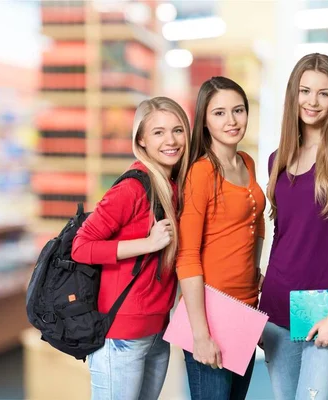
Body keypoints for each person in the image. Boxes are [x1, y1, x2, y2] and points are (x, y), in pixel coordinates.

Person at [258, 53, 328, 400]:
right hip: (278, 305)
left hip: (325, 305)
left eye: (323, 93)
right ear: (293, 94)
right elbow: (282, 234)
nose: (312, 101)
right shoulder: (278, 158)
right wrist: (263, 307)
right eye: (305, 91)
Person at [71, 97, 190, 400]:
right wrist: (147, 244)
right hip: (121, 336)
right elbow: (81, 247)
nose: (171, 140)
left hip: (156, 334)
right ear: (142, 140)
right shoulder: (132, 188)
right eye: (159, 132)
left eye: (178, 130)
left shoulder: (173, 186)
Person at [176, 76, 266, 400]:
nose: (231, 120)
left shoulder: (247, 163)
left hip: (245, 308)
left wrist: (256, 273)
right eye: (219, 113)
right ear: (204, 120)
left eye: (238, 110)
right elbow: (186, 255)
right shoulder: (201, 172)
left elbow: (256, 225)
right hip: (211, 313)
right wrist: (201, 334)